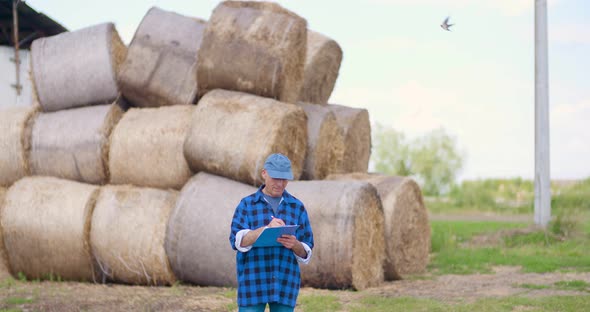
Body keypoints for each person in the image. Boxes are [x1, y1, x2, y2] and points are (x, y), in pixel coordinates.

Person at [229, 153, 314, 312]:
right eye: (275, 178)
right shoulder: (246, 205)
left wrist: (295, 245)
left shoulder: (297, 207)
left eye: (284, 179)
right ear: (264, 174)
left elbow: (307, 250)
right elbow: (236, 241)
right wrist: (264, 230)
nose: (280, 184)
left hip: (285, 282)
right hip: (253, 282)